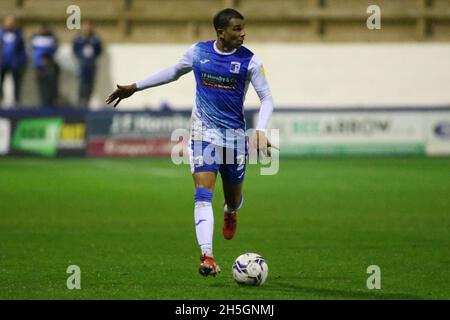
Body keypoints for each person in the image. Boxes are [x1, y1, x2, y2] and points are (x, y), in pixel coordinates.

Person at [106, 8, 275, 277]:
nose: (243, 33)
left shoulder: (250, 62)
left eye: (243, 28)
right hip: (202, 134)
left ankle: (230, 210)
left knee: (233, 197)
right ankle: (207, 255)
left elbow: (266, 98)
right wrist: (135, 87)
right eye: (237, 28)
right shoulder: (199, 53)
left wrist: (261, 130)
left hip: (233, 138)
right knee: (202, 192)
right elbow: (173, 72)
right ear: (221, 32)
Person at [72, 21, 102, 108]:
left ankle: (87, 102)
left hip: (91, 64)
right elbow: (75, 49)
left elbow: (99, 50)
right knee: (82, 84)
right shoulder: (78, 38)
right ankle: (80, 103)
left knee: (90, 84)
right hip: (82, 64)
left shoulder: (95, 39)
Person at [0, 15, 27, 107]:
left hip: (14, 63)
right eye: (8, 22)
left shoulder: (18, 35)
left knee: (16, 83)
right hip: (2, 63)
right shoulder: (1, 34)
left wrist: (20, 61)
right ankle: (1, 99)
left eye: (11, 22)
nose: (9, 24)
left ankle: (17, 101)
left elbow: (22, 50)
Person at [31, 23, 59, 107]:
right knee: (41, 87)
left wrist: (48, 59)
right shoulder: (35, 37)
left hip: (49, 66)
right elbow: (32, 49)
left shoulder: (52, 37)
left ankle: (51, 103)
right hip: (39, 66)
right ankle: (43, 104)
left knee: (51, 86)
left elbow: (55, 48)